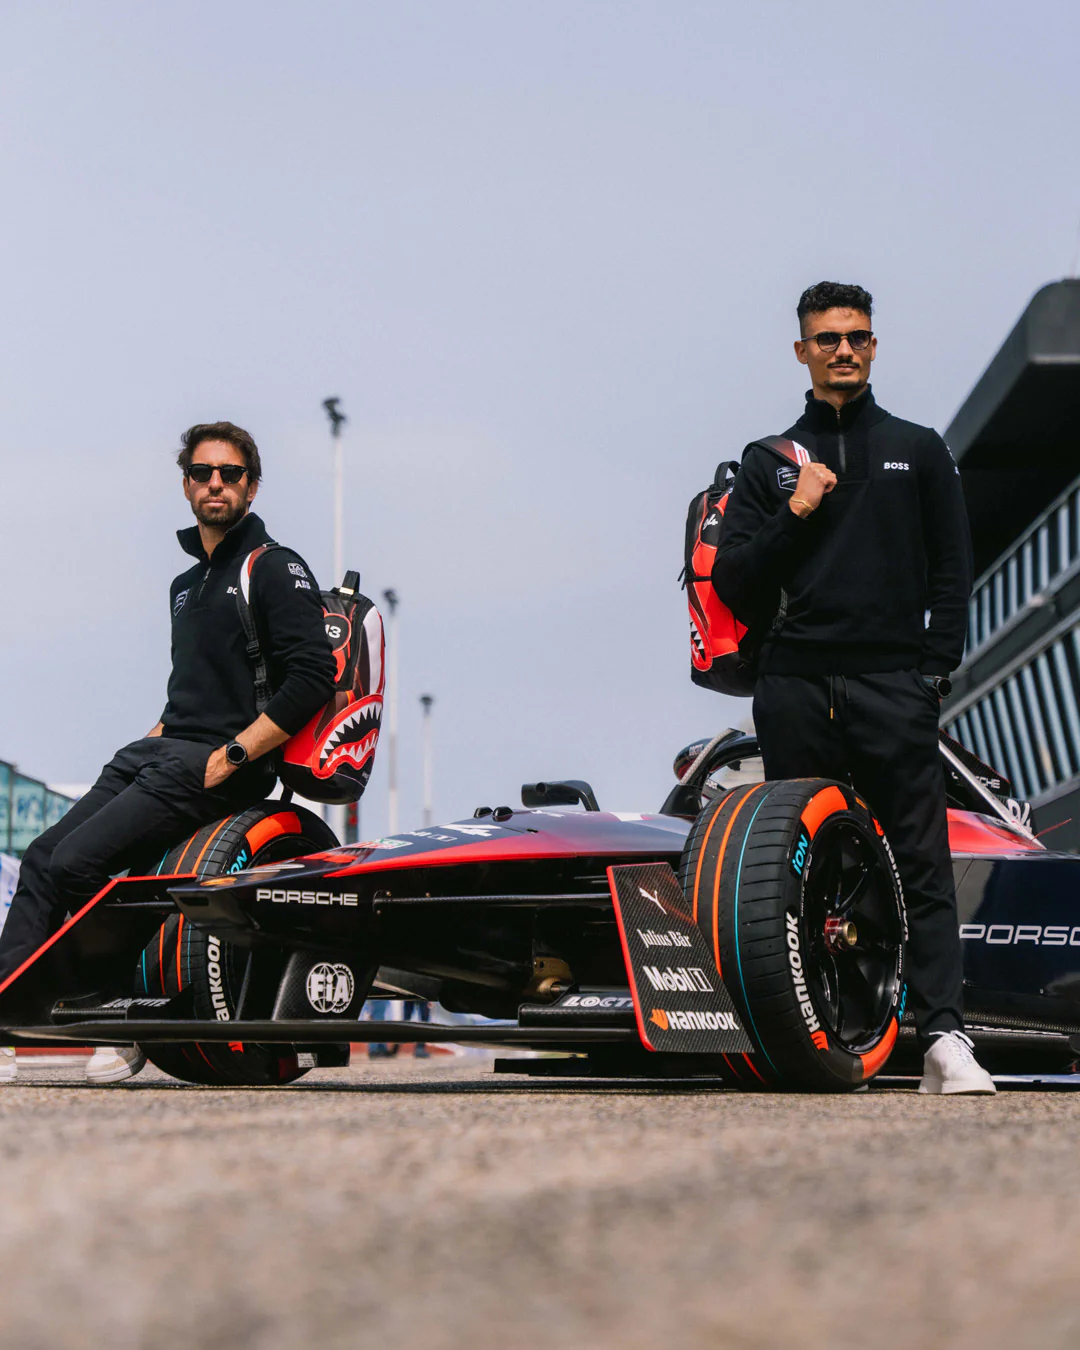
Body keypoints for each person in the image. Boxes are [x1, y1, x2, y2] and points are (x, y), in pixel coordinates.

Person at [712, 281, 995, 1095]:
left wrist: (931, 671)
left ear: (873, 346)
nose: (845, 350)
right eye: (829, 338)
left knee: (920, 862)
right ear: (801, 351)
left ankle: (943, 1040)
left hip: (892, 683)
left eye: (858, 336)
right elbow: (734, 582)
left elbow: (953, 571)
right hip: (794, 684)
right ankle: (820, 1037)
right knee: (797, 871)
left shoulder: (919, 448)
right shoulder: (769, 463)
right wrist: (797, 511)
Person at [0, 422, 335, 1085]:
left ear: (252, 487)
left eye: (231, 473)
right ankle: (5, 1025)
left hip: (218, 764)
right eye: (202, 472)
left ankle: (121, 1020)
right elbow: (196, 683)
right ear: (185, 484)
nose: (216, 483)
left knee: (78, 863)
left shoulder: (273, 566)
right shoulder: (186, 583)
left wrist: (233, 756)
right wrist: (154, 736)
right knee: (41, 859)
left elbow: (312, 678)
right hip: (157, 752)